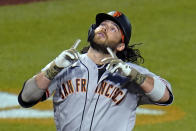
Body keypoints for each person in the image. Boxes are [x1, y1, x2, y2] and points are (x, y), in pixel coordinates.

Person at [18, 11, 173, 131]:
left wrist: (133, 75)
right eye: (102, 25)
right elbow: (26, 98)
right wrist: (54, 67)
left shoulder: (131, 74)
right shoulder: (66, 64)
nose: (105, 28)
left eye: (113, 29)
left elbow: (165, 96)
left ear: (120, 46)